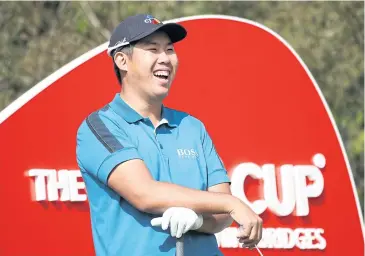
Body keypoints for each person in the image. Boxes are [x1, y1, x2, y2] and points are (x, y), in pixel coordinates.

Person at [76, 14, 263, 256]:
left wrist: (198, 221)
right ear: (122, 60)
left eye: (170, 50)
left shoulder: (192, 127)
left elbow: (221, 215)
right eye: (153, 49)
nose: (165, 58)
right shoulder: (100, 126)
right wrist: (231, 203)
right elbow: (144, 193)